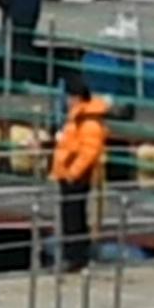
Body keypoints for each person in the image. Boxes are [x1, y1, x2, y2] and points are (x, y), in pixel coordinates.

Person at [51, 91, 111, 267]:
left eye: (70, 97)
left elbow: (89, 151)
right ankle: (73, 255)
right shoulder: (77, 117)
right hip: (68, 174)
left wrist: (72, 172)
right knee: (70, 216)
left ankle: (76, 257)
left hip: (76, 176)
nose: (68, 101)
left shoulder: (88, 121)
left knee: (74, 216)